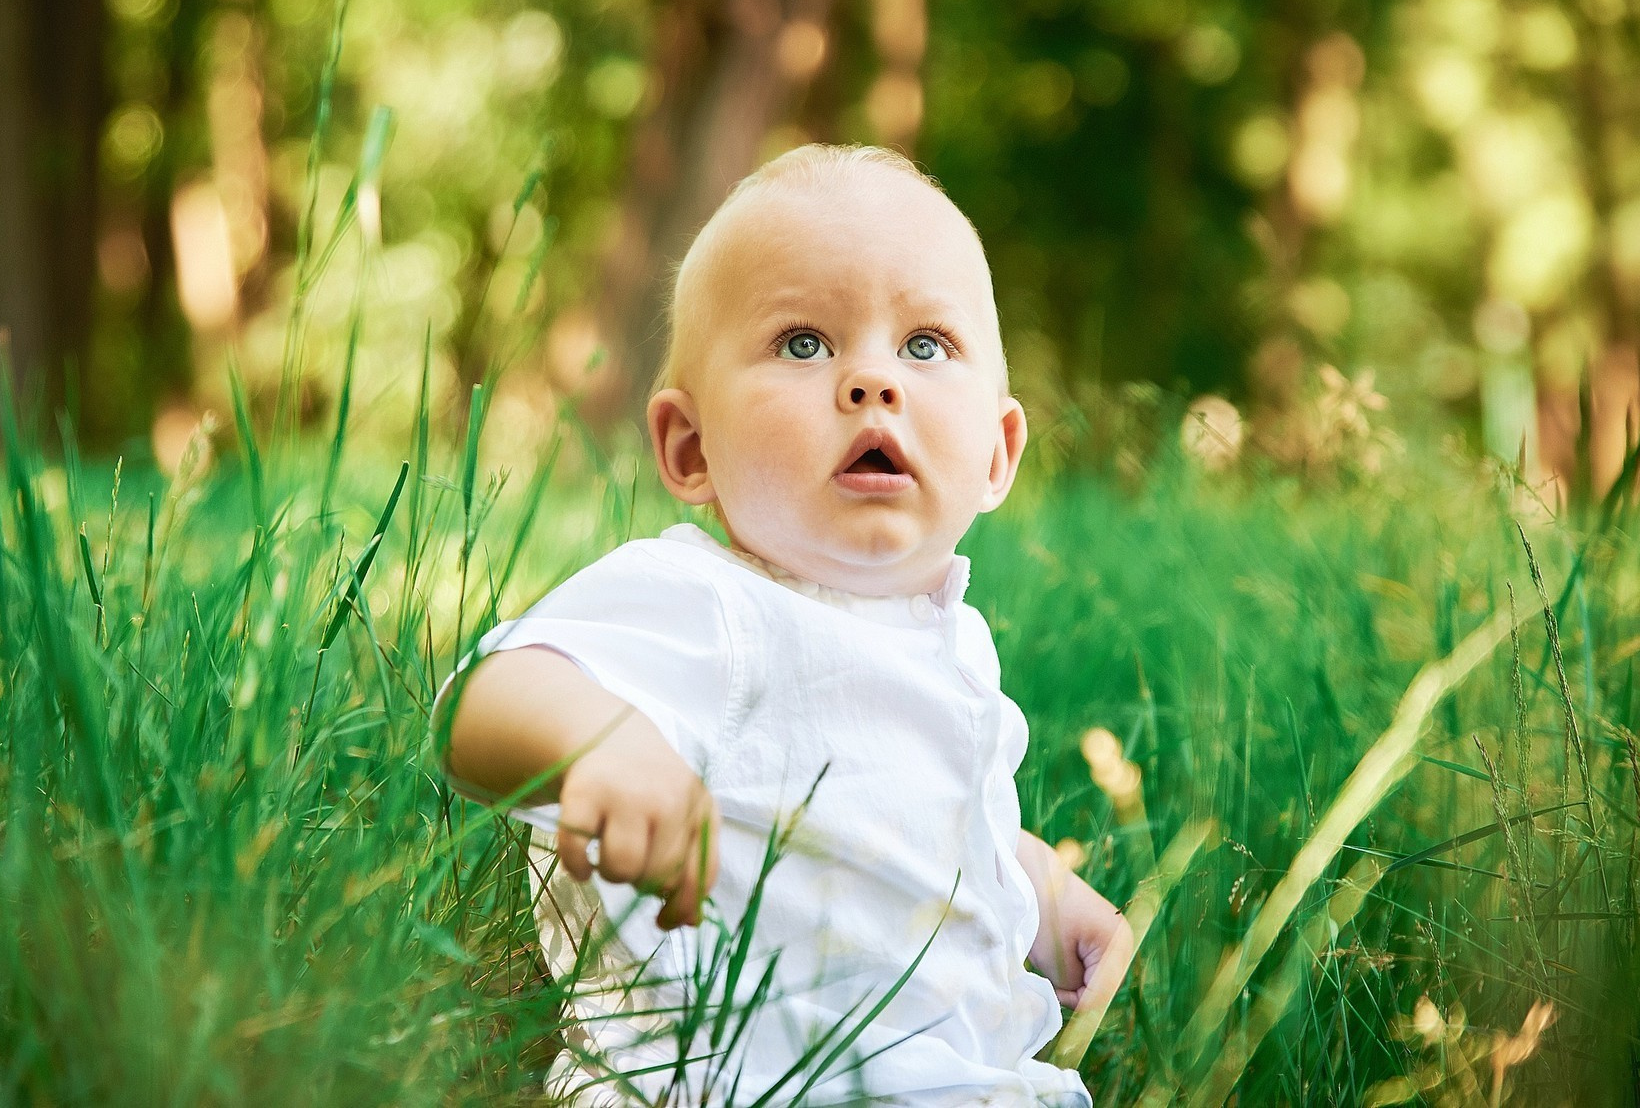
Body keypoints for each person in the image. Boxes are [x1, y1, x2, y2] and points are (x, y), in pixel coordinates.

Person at [434, 144, 1134, 1107]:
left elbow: (902, 818)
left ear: (997, 455)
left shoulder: (948, 639)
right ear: (691, 446)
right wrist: (603, 746)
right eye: (804, 343)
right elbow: (482, 697)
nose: (872, 381)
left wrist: (1043, 894)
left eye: (925, 345)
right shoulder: (709, 601)